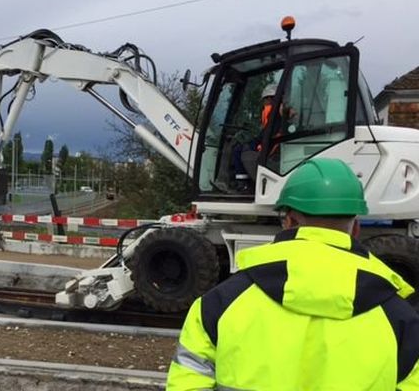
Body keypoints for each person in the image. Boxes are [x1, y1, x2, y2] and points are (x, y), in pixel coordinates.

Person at [167, 158, 419, 390]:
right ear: (355, 228)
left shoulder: (218, 305)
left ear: (289, 221)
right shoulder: (401, 321)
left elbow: (187, 383)